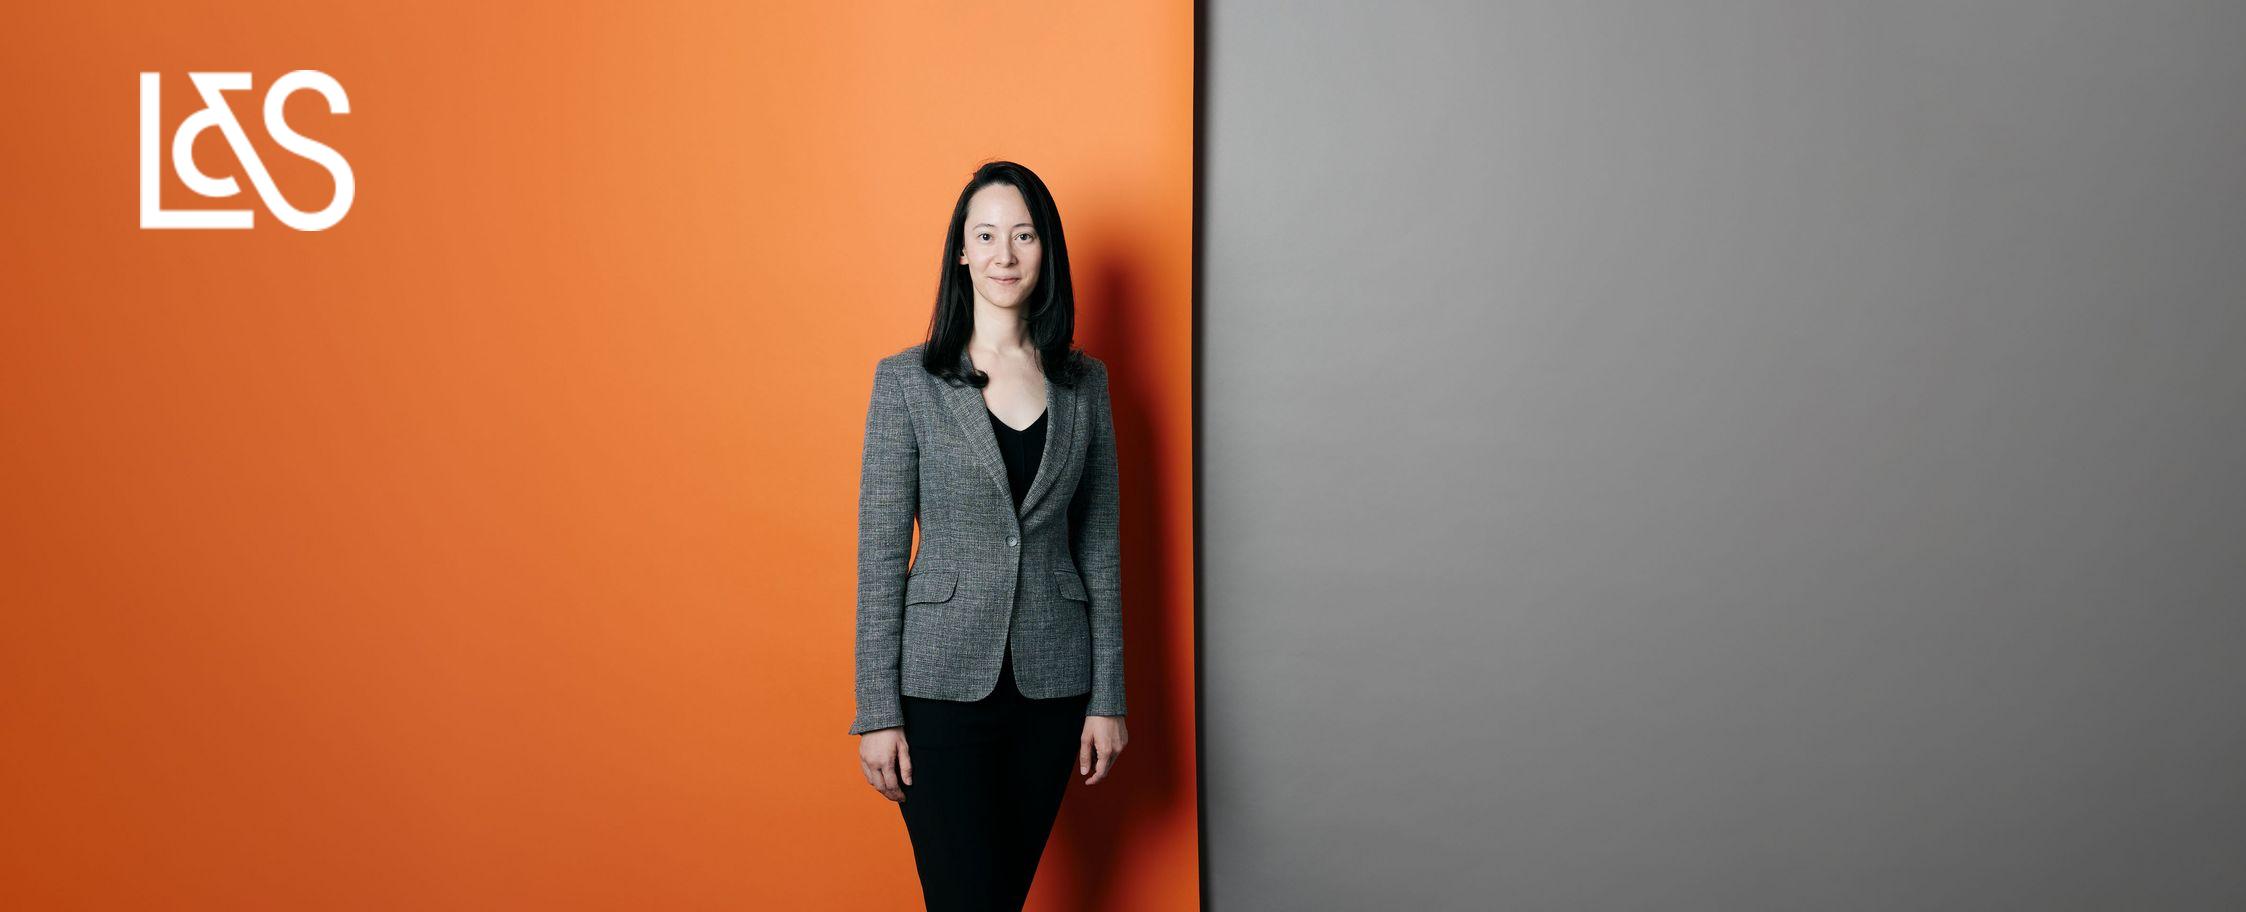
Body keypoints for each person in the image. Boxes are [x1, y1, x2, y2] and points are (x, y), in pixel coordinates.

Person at [850, 161, 1130, 911]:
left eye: (1024, 235)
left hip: (1053, 687)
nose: (1005, 254)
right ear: (962, 252)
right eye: (987, 236)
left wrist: (1108, 698)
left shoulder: (1085, 385)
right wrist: (877, 711)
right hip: (938, 687)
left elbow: (1100, 546)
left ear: (1046, 251)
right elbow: (880, 555)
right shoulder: (907, 382)